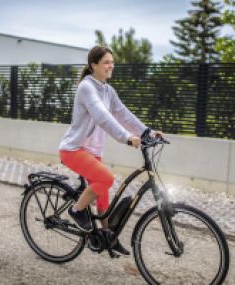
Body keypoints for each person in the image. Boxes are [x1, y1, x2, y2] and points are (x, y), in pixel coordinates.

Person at [59, 46, 164, 255]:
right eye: (106, 62)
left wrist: (147, 132)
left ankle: (108, 237)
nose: (111, 66)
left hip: (93, 151)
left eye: (112, 62)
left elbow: (123, 114)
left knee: (103, 198)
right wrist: (126, 137)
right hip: (74, 149)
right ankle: (76, 210)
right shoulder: (86, 87)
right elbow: (101, 115)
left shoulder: (108, 90)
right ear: (94, 65)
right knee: (106, 179)